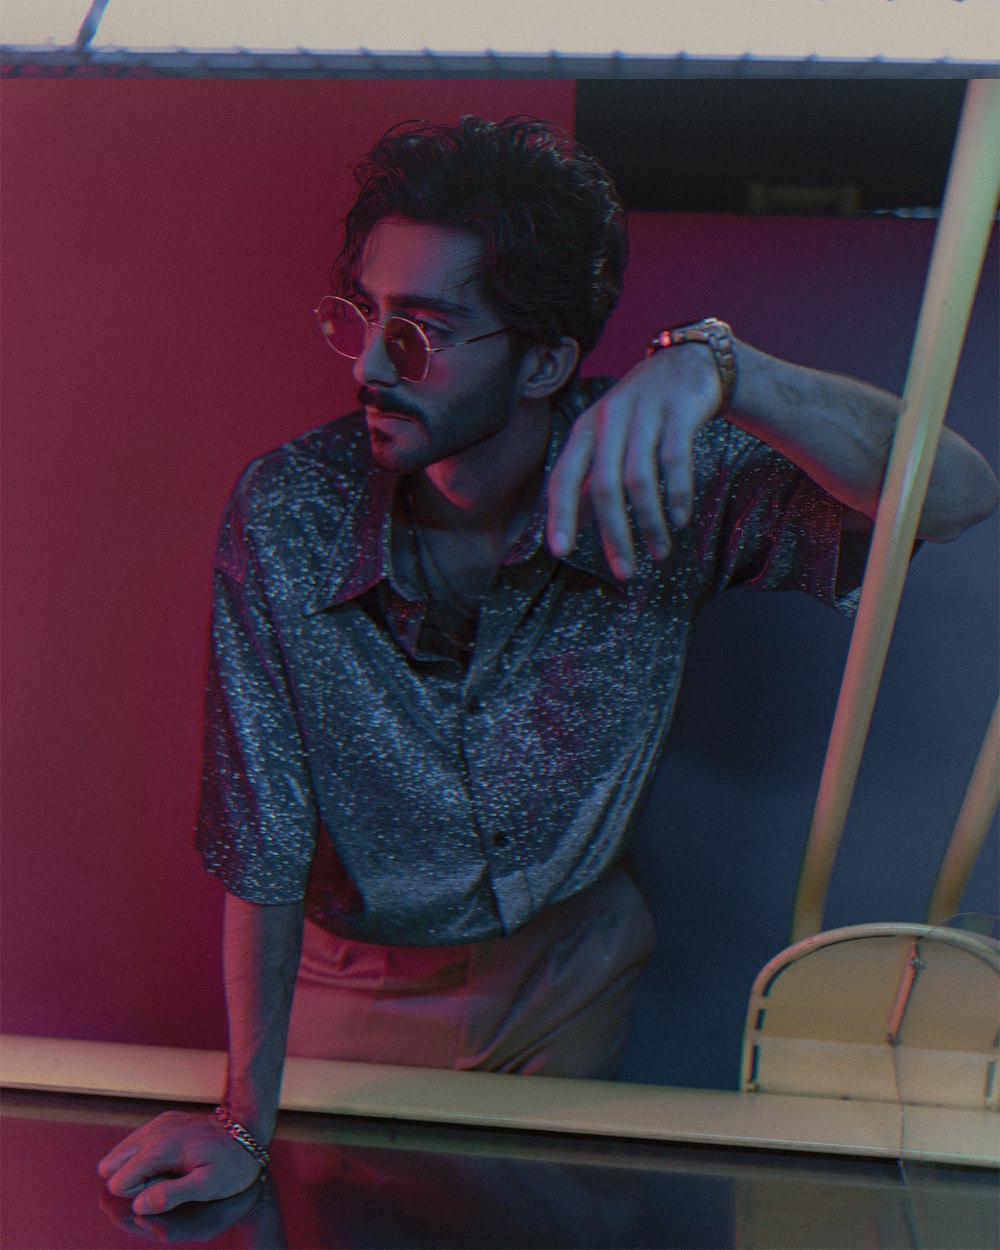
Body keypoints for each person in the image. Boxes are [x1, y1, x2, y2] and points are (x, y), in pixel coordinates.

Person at [99, 115, 998, 1215]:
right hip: (353, 981)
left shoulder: (664, 473)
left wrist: (720, 368)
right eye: (365, 313)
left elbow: (956, 493)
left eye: (422, 331)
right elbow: (263, 830)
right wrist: (244, 1114)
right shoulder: (287, 507)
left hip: (573, 964)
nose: (372, 363)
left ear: (545, 359)